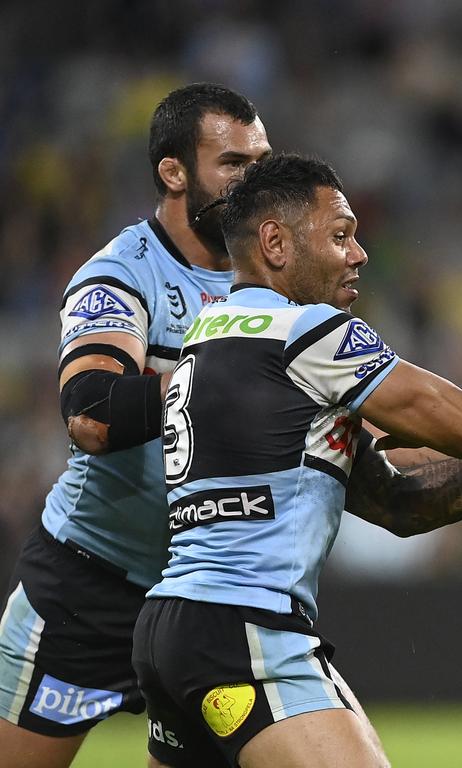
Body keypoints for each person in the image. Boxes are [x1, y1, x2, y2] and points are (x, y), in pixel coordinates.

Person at [131, 153, 462, 768]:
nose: (360, 254)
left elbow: (401, 504)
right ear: (275, 242)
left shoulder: (216, 333)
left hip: (173, 631)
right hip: (247, 632)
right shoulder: (306, 330)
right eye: (341, 235)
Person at [0, 83, 272, 768]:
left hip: (205, 598)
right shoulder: (123, 273)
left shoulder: (275, 283)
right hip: (88, 593)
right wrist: (226, 378)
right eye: (234, 164)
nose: (256, 180)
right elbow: (92, 413)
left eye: (262, 161)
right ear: (173, 171)